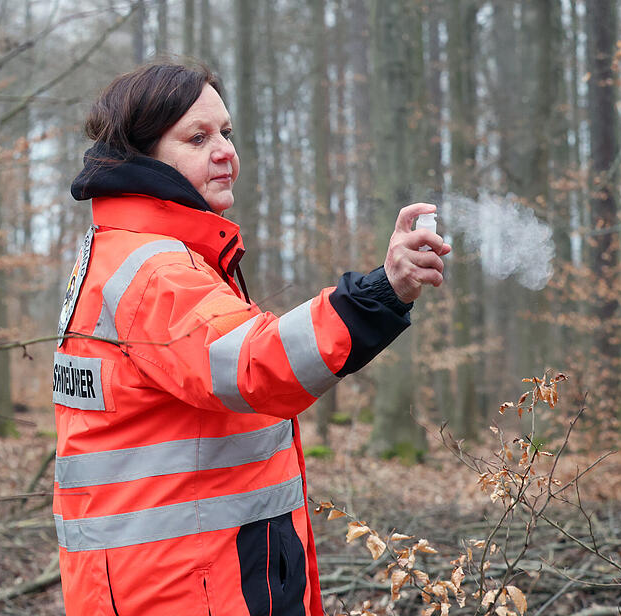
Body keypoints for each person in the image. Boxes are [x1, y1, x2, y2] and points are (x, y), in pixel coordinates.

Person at [52, 62, 450, 616]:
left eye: (226, 133)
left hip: (175, 575)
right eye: (197, 137)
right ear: (144, 158)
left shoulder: (129, 250)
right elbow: (252, 363)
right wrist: (380, 294)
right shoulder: (155, 272)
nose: (224, 151)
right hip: (189, 587)